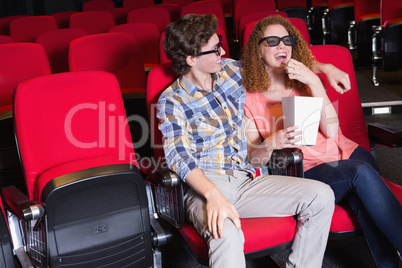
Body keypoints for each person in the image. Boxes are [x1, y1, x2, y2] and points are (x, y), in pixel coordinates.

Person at [157, 14, 335, 268]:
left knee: (321, 195)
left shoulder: (231, 70)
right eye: (215, 49)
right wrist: (213, 195)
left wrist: (324, 68)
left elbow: (278, 62)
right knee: (225, 233)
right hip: (205, 187)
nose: (222, 51)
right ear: (191, 59)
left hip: (245, 181)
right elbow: (178, 157)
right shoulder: (172, 100)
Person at [242, 15, 402, 267]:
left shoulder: (304, 80)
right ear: (257, 50)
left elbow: (332, 129)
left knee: (361, 190)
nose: (282, 46)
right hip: (306, 169)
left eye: (287, 40)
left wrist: (315, 79)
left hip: (346, 152)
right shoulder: (248, 98)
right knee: (359, 174)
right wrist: (272, 141)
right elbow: (253, 157)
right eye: (272, 41)